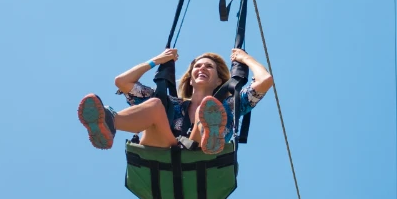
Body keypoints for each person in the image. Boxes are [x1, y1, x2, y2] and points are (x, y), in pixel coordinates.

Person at [77, 48, 273, 154]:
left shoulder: (231, 104)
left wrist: (245, 58)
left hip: (199, 155)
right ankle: (109, 123)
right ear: (190, 77)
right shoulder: (172, 103)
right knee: (154, 105)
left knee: (208, 109)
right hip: (162, 150)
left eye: (209, 67)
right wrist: (157, 60)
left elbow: (265, 81)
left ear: (220, 80)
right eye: (197, 66)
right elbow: (122, 81)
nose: (202, 69)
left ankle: (210, 132)